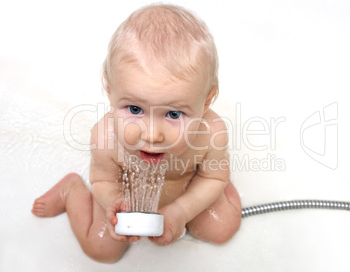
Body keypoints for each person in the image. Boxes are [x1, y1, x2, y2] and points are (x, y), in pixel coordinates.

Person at [31, 4, 241, 263]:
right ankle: (71, 191)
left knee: (222, 228)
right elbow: (103, 181)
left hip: (186, 190)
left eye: (174, 114)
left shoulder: (211, 133)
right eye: (134, 109)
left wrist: (183, 209)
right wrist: (112, 202)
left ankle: (220, 184)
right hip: (127, 196)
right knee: (101, 249)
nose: (152, 135)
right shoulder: (106, 137)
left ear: (207, 100)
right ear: (110, 90)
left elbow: (212, 178)